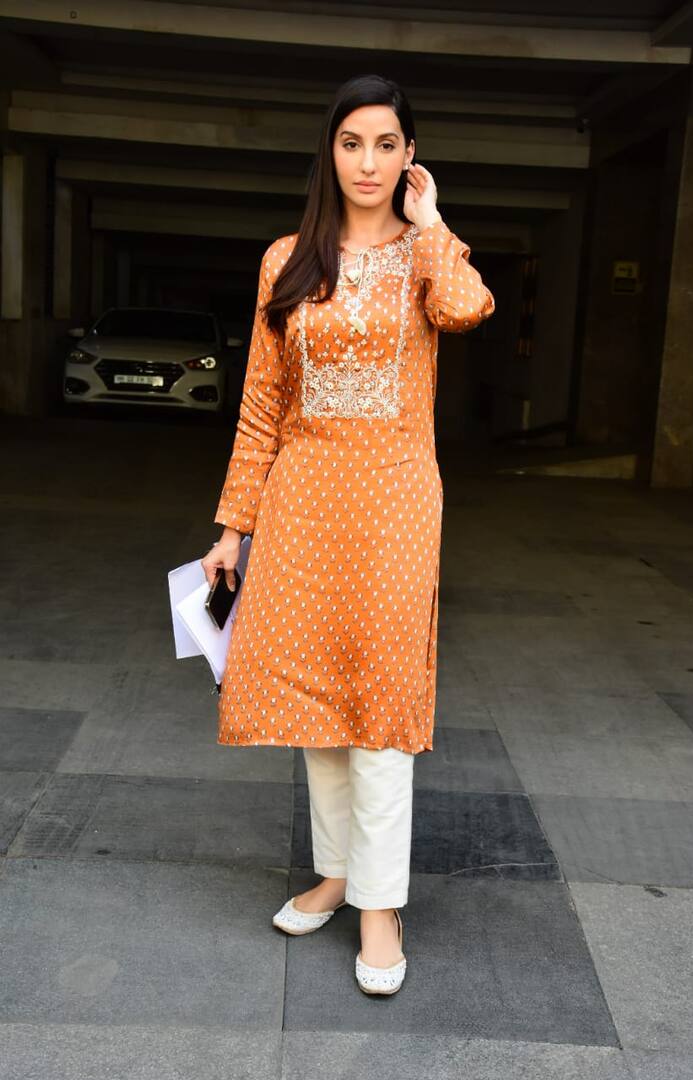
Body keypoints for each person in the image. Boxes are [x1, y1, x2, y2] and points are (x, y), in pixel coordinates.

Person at [200, 73, 495, 995]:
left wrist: (434, 222)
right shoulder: (287, 259)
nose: (368, 161)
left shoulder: (428, 257)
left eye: (387, 144)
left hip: (396, 502)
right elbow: (261, 406)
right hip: (302, 498)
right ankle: (335, 872)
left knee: (380, 709)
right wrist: (230, 529)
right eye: (352, 143)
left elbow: (469, 309)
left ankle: (379, 903)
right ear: (330, 153)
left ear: (411, 157)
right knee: (314, 706)